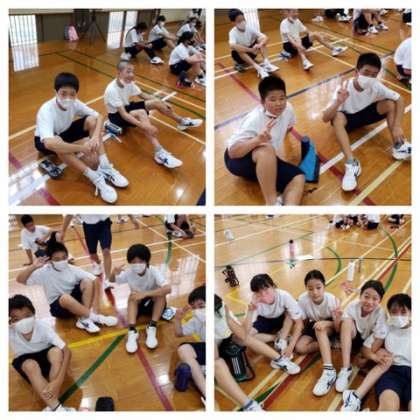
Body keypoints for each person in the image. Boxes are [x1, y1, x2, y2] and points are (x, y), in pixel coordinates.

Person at [322, 53, 411, 191]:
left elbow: (399, 99)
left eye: (374, 74)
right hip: (348, 121)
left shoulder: (376, 86)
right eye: (366, 72)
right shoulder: (344, 87)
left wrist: (397, 126)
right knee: (336, 117)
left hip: (363, 116)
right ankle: (352, 163)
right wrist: (338, 102)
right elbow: (325, 118)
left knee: (390, 104)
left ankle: (398, 146)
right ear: (356, 72)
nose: (370, 78)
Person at [34, 72, 128, 203]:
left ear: (76, 94)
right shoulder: (46, 110)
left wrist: (94, 137)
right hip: (44, 142)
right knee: (57, 142)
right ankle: (95, 177)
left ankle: (105, 166)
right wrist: (82, 148)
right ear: (56, 92)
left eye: (72, 94)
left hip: (64, 133)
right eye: (63, 93)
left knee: (91, 120)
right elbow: (49, 143)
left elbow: (99, 116)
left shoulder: (75, 103)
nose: (68, 98)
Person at [224, 75, 305, 205]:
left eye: (282, 98)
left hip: (265, 158)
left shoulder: (288, 109)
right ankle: (271, 203)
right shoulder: (254, 120)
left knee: (298, 177)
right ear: (262, 102)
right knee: (266, 149)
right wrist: (257, 140)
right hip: (238, 159)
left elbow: (289, 127)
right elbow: (232, 153)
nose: (279, 103)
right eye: (272, 99)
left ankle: (286, 213)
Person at [104, 61, 202, 168]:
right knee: (141, 113)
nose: (132, 75)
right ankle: (159, 152)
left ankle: (181, 122)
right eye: (128, 72)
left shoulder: (129, 83)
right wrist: (146, 127)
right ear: (119, 73)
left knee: (156, 102)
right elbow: (124, 114)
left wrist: (162, 102)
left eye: (132, 72)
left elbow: (143, 95)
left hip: (126, 107)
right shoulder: (112, 90)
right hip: (116, 116)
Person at [16, 241, 117, 333]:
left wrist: (96, 308)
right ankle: (96, 318)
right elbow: (20, 280)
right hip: (59, 308)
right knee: (64, 297)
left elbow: (96, 280)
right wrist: (33, 266)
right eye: (57, 259)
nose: (62, 261)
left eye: (64, 257)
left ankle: (84, 319)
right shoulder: (44, 272)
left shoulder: (71, 268)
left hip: (76, 304)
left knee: (87, 281)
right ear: (50, 260)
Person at [341, 293, 411, 411]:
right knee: (388, 409)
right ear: (389, 313)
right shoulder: (386, 327)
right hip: (391, 373)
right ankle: (355, 397)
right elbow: (365, 348)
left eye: (403, 312)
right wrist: (375, 356)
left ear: (411, 312)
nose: (398, 315)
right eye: (394, 312)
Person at [9, 294, 74, 411]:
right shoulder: (9, 331)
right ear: (10, 321)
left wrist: (58, 381)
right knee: (30, 366)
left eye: (27, 316)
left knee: (56, 352)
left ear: (34, 314)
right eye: (16, 319)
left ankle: (54, 407)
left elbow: (67, 351)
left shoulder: (43, 327)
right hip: (27, 361)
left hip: (47, 358)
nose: (23, 322)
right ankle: (57, 409)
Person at [109, 243, 172, 352]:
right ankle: (132, 331)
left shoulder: (153, 271)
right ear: (130, 263)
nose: (137, 265)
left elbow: (168, 289)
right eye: (134, 262)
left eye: (140, 261)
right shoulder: (128, 272)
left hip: (154, 304)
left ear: (147, 261)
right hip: (138, 305)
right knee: (132, 297)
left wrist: (145, 294)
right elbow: (112, 280)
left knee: (161, 294)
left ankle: (152, 327)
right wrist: (113, 273)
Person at [335, 280, 388, 392]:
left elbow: (379, 339)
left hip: (369, 344)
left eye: (375, 299)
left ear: (380, 300)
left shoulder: (380, 313)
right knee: (347, 322)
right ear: (360, 296)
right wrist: (337, 317)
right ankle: (346, 368)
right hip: (355, 339)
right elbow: (342, 329)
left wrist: (365, 357)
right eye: (366, 296)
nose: (369, 302)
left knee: (382, 352)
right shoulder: (353, 305)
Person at [244, 273, 303, 374]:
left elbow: (299, 323)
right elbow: (244, 332)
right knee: (247, 337)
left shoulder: (284, 296)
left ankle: (282, 340)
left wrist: (291, 346)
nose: (263, 295)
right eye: (259, 292)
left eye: (266, 290)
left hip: (282, 318)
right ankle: (276, 338)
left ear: (273, 286)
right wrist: (250, 310)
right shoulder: (255, 301)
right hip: (265, 320)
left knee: (290, 313)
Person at [295, 270, 342, 396]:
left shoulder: (332, 300)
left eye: (318, 287)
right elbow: (304, 322)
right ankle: (328, 344)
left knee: (319, 329)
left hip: (330, 325)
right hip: (314, 324)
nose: (315, 292)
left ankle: (329, 370)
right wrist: (296, 337)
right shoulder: (302, 299)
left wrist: (326, 323)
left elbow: (337, 328)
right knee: (300, 348)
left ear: (324, 286)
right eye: (310, 288)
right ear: (306, 288)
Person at [280, 9, 347, 70]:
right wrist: (299, 46)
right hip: (288, 46)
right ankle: (305, 62)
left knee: (315, 34)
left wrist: (321, 36)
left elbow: (307, 31)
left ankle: (334, 49)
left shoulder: (297, 21)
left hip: (297, 43)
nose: (296, 13)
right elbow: (290, 39)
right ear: (288, 13)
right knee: (298, 39)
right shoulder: (284, 23)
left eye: (297, 12)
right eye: (294, 12)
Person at [61, 215, 114, 291]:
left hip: (104, 224)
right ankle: (98, 263)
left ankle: (107, 280)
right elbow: (69, 215)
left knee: (106, 251)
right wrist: (63, 232)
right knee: (92, 254)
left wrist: (131, 217)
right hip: (88, 226)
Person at [174, 285, 206, 402]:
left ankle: (198, 369)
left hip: (223, 348)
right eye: (194, 307)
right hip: (208, 349)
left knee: (182, 364)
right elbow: (179, 333)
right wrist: (178, 319)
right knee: (183, 349)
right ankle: (206, 391)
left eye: (201, 306)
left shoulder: (219, 313)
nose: (197, 310)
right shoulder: (196, 320)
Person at [228, 9, 278, 77]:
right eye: (239, 21)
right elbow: (232, 45)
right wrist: (251, 50)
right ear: (233, 23)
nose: (242, 22)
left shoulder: (249, 28)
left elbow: (266, 38)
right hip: (239, 57)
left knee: (261, 39)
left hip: (252, 53)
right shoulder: (232, 32)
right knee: (238, 48)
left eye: (243, 19)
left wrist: (259, 45)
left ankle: (267, 63)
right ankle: (258, 68)